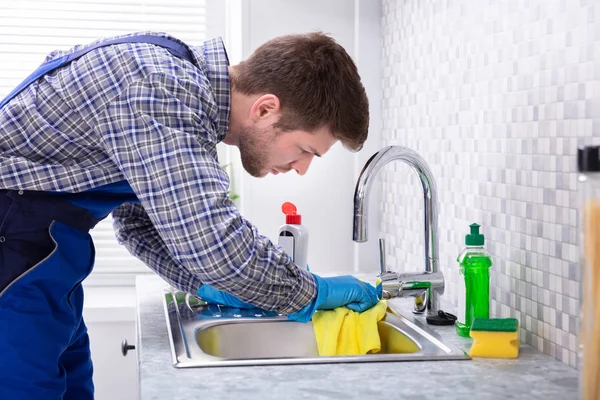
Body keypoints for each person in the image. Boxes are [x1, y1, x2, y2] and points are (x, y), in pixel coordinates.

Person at [0, 30, 378, 398]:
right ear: (265, 108)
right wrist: (312, 292)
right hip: (11, 256)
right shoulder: (158, 87)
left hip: (41, 263)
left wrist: (203, 284)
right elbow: (214, 245)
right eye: (305, 149)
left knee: (69, 386)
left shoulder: (181, 96)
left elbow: (139, 225)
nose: (302, 168)